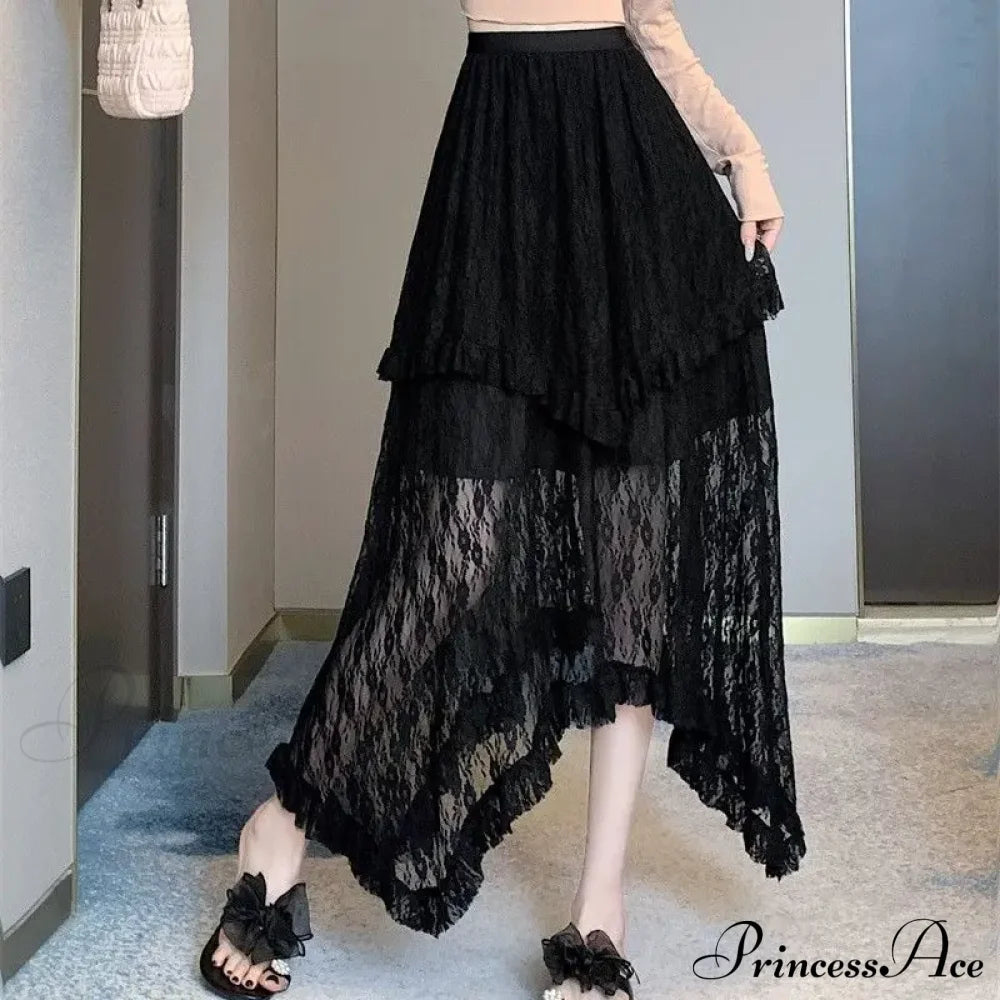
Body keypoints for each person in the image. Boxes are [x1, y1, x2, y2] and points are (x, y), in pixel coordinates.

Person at [198, 2, 806, 997]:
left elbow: (654, 30)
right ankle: (284, 818)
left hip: (631, 202)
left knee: (633, 580)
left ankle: (599, 910)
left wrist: (744, 154)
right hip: (500, 189)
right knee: (452, 551)